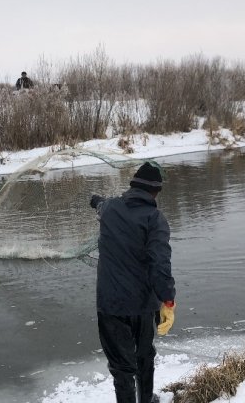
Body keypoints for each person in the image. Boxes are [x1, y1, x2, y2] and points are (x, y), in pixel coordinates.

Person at [89, 161, 176, 403]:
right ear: (156, 192)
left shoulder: (109, 209)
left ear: (133, 186)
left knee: (122, 368)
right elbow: (160, 264)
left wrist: (95, 200)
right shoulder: (155, 219)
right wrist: (167, 299)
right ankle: (146, 400)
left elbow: (100, 204)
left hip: (110, 305)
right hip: (143, 304)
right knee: (144, 357)